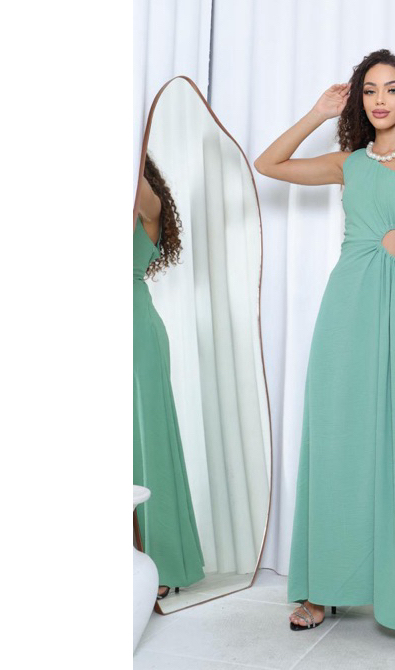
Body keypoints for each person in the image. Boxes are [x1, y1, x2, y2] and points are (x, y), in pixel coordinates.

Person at [254, 49, 395, 646]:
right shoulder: (350, 163)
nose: (380, 100)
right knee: (339, 443)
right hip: (346, 312)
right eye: (370, 90)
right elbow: (268, 163)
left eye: (392, 89)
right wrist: (316, 113)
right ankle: (319, 588)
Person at [133, 153, 205, 601]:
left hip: (134, 330)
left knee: (149, 443)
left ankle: (161, 561)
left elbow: (138, 192)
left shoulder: (149, 204)